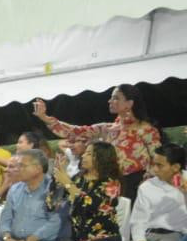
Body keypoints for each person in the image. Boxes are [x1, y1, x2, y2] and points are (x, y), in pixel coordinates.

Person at [34, 83, 162, 198]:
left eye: (116, 98)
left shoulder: (146, 130)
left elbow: (158, 160)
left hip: (137, 186)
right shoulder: (108, 128)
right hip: (109, 184)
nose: (110, 101)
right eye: (111, 97)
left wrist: (147, 183)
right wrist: (44, 117)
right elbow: (75, 132)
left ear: (129, 103)